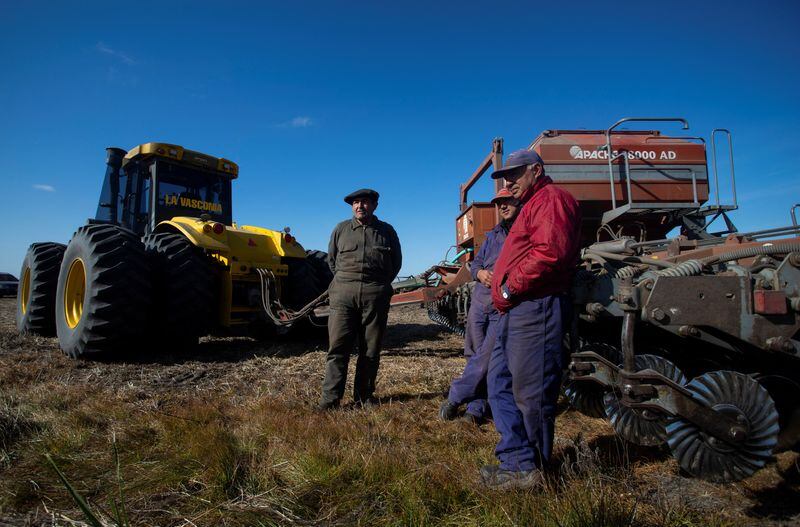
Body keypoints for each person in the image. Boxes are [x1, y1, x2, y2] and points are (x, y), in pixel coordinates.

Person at [481, 149, 581, 489]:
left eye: (514, 174)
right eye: (504, 177)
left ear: (536, 170)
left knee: (531, 393)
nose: (507, 182)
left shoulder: (551, 199)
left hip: (535, 305)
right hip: (517, 309)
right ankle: (517, 460)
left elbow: (550, 252)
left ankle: (533, 469)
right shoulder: (532, 204)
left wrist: (509, 289)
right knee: (498, 382)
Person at [439, 188, 520, 425]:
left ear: (517, 201)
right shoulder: (493, 235)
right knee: (474, 355)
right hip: (480, 303)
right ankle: (477, 407)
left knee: (486, 358)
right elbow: (475, 265)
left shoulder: (522, 233)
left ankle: (455, 398)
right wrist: (480, 272)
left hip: (501, 305)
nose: (503, 206)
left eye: (507, 201)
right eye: (499, 203)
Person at [319, 188, 402, 410]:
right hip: (343, 296)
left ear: (374, 205)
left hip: (375, 297)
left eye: (364, 202)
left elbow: (396, 263)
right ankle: (330, 400)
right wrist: (347, 284)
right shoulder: (341, 230)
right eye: (355, 203)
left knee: (370, 350)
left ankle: (363, 397)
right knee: (337, 349)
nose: (359, 206)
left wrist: (377, 285)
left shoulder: (386, 231)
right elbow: (332, 261)